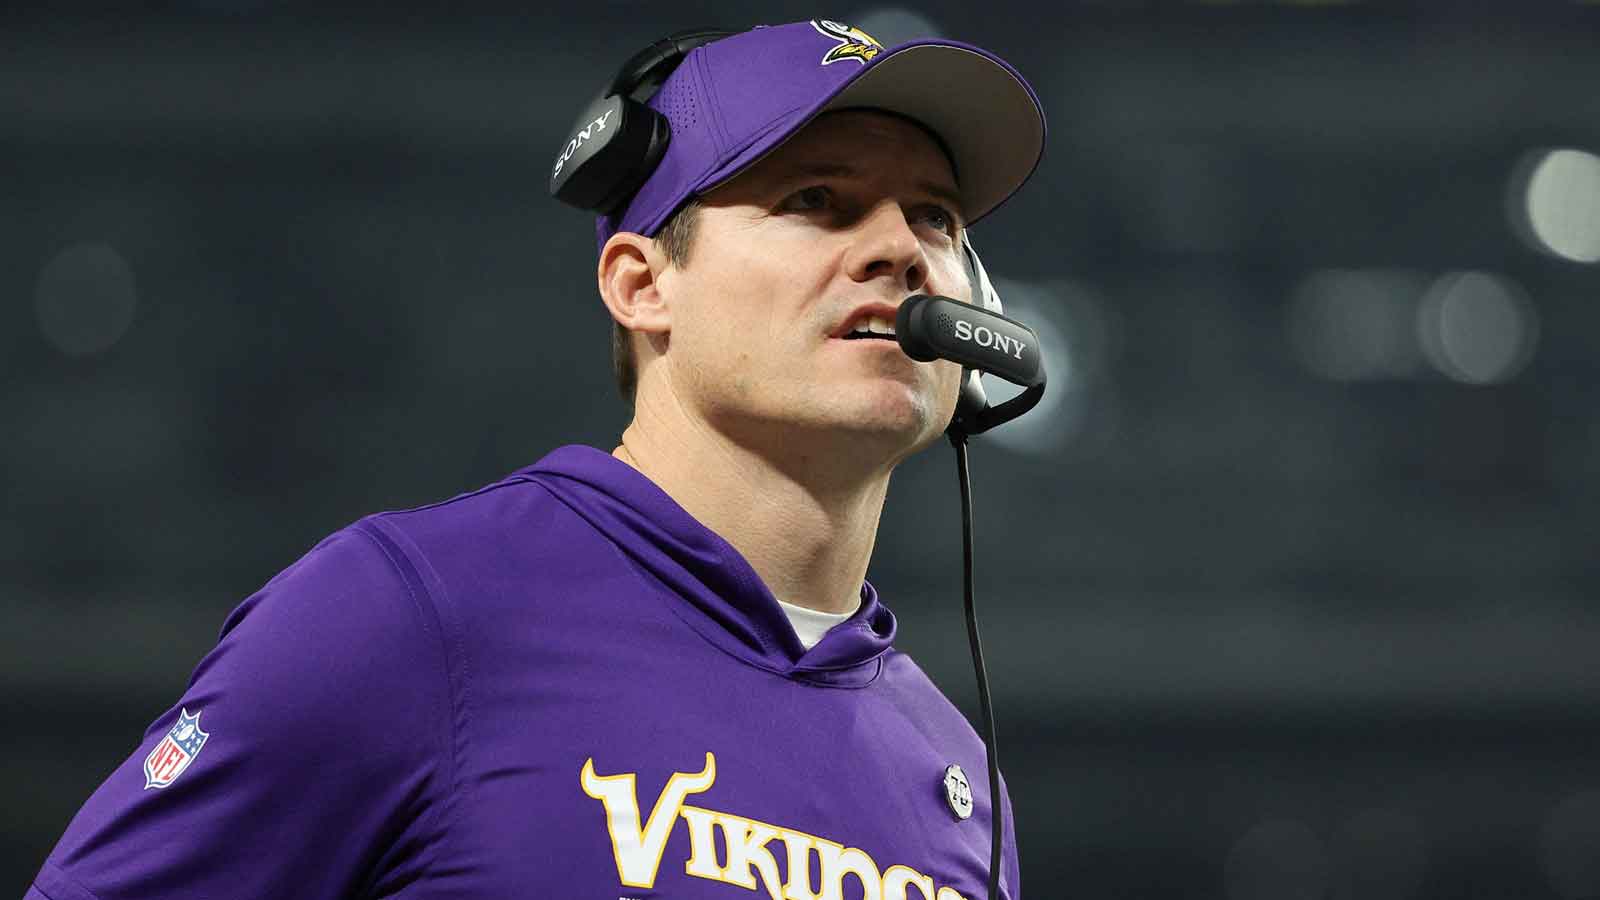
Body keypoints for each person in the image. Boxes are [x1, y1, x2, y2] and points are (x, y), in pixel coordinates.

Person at [26, 19, 1045, 900]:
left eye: (934, 216)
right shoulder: (406, 617)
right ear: (643, 284)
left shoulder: (953, 774)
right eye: (815, 200)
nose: (901, 251)